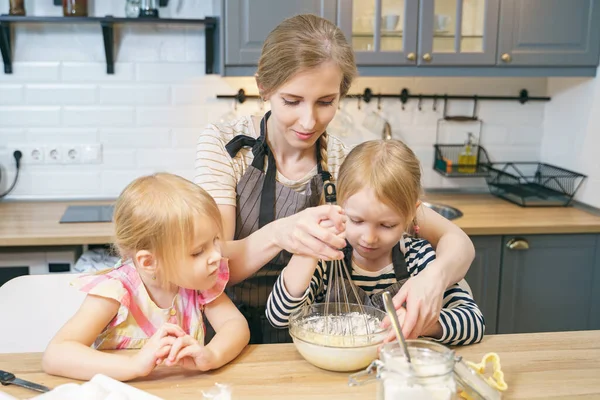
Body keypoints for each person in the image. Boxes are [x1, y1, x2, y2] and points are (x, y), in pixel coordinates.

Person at [195, 14, 475, 344]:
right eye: (292, 101)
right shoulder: (226, 146)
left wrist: (434, 279)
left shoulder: (344, 163)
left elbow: (458, 243)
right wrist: (280, 233)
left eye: (326, 102)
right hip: (228, 333)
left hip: (307, 335)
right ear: (263, 87)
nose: (309, 120)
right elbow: (210, 267)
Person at [266, 140, 484, 345]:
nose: (369, 238)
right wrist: (309, 251)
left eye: (386, 225)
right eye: (357, 220)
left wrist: (421, 322)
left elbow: (474, 323)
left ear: (410, 216)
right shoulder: (326, 260)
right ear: (339, 205)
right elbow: (279, 317)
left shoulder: (419, 258)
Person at [42, 173, 250, 381]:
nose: (216, 256)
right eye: (197, 252)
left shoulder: (198, 283)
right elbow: (56, 354)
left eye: (215, 240)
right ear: (149, 262)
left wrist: (212, 355)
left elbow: (235, 325)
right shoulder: (116, 291)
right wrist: (133, 365)